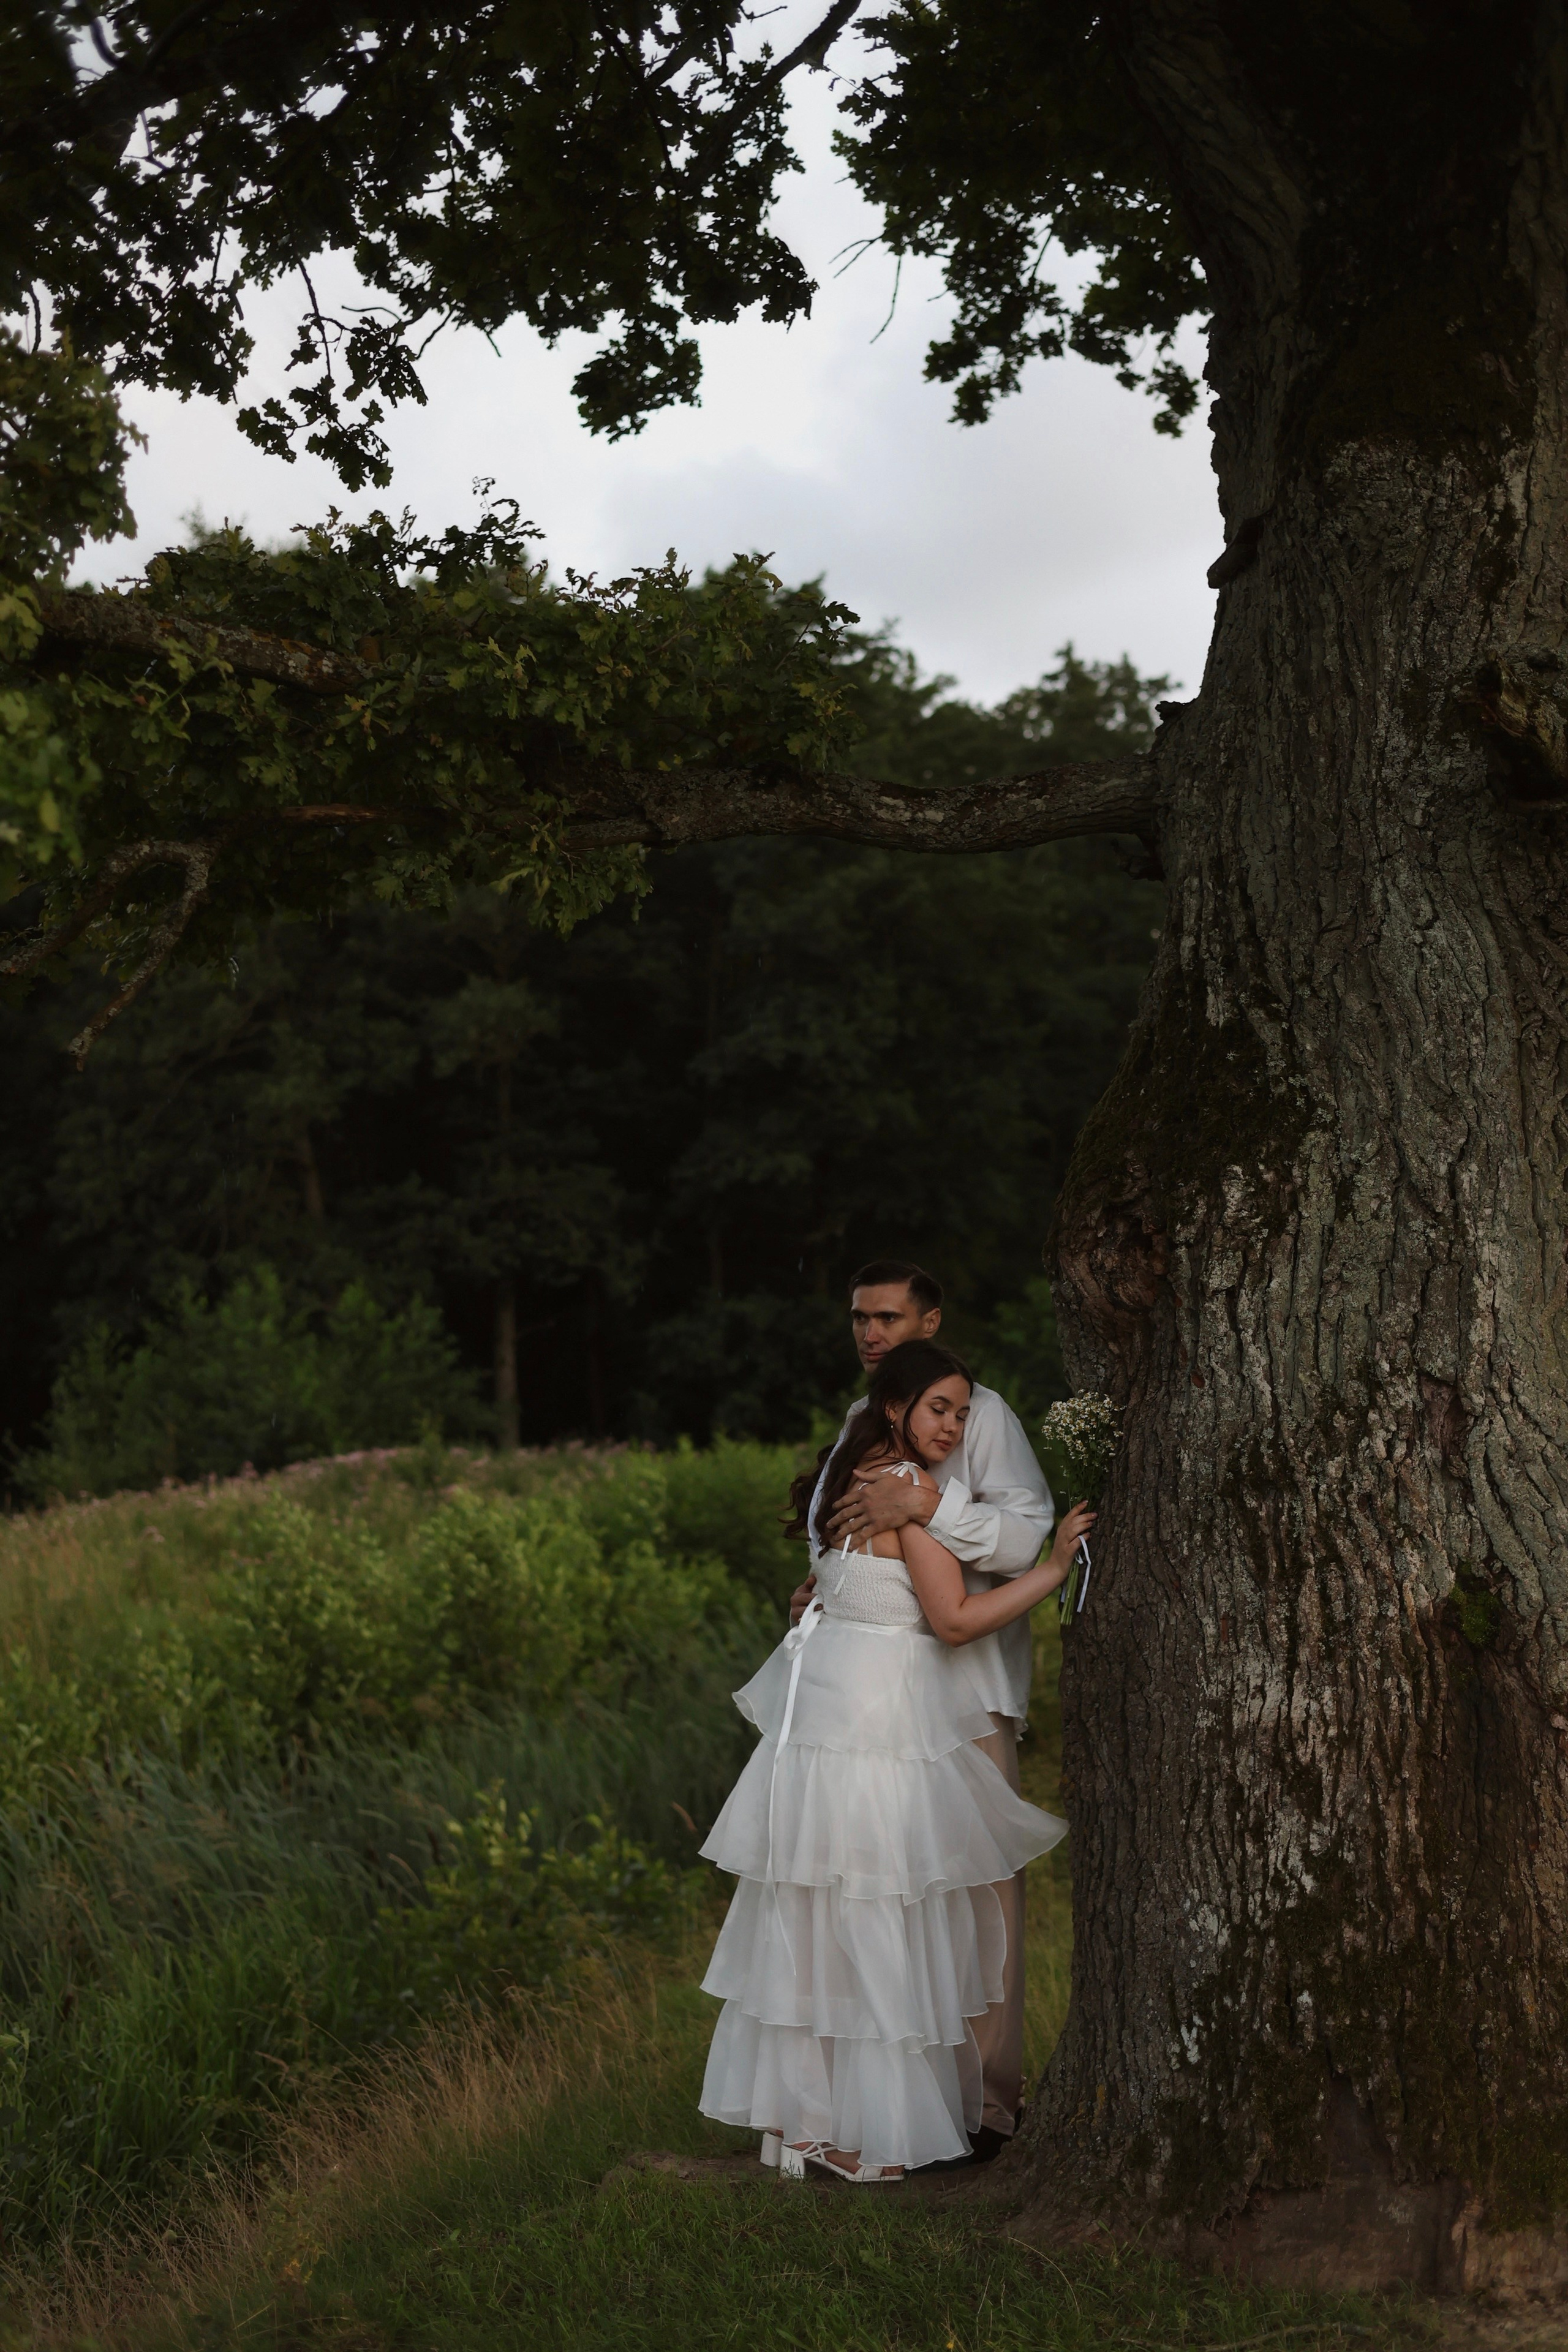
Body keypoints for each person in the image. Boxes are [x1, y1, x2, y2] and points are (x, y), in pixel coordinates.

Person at [698, 1340, 1093, 2184]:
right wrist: (1056, 1567)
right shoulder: (904, 1493)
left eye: (962, 1413)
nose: (953, 1427)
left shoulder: (851, 1478)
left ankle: (804, 2122)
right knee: (871, 1914)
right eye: (938, 1409)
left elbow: (835, 1587)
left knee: (820, 1915)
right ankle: (844, 2132)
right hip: (873, 1728)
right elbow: (954, 1621)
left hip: (827, 1719)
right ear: (894, 1408)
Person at [790, 1259, 1053, 2155]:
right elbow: (853, 1540)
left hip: (966, 1689)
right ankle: (904, 2099)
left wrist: (930, 1504)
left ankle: (989, 2104)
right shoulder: (858, 1424)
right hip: (874, 1700)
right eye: (860, 1318)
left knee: (980, 1897)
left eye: (890, 1318)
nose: (872, 1333)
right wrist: (826, 1587)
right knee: (885, 1893)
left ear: (930, 1321)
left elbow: (1023, 1535)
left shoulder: (981, 1416)